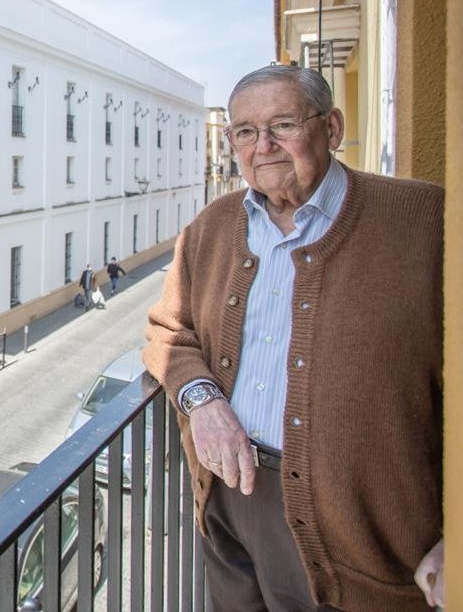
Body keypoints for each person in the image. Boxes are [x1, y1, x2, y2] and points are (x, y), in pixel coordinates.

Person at [143, 65, 445, 611]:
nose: (263, 147)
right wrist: (201, 400)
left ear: (331, 128)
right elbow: (169, 330)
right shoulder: (210, 228)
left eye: (283, 124)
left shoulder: (426, 220)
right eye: (244, 132)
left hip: (367, 534)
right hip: (229, 504)